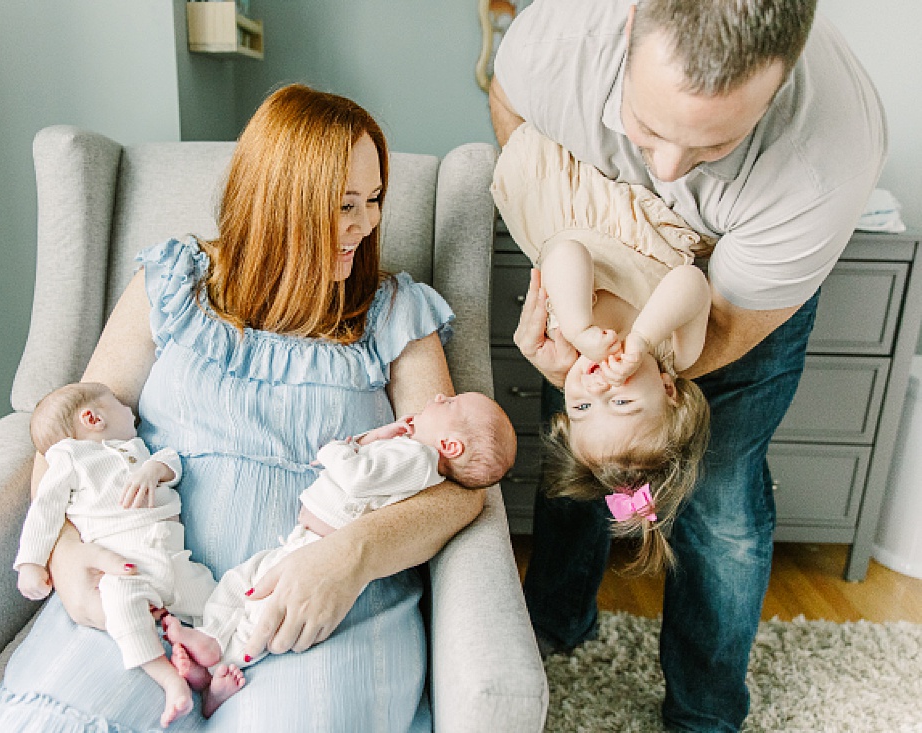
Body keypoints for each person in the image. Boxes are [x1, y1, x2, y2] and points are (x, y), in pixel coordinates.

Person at [0, 83, 484, 732]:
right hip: (147, 577)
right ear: (282, 204)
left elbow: (459, 488)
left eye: (374, 200)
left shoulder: (396, 313)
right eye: (344, 205)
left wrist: (350, 557)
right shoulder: (171, 282)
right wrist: (64, 549)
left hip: (313, 600)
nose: (365, 226)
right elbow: (68, 437)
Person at [489, 0, 886, 730]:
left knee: (721, 500)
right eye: (647, 129)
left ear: (778, 89)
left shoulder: (826, 159)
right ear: (628, 30)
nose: (667, 170)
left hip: (720, 300)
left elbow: (720, 315)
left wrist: (636, 370)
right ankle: (555, 617)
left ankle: (704, 709)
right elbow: (513, 115)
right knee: (588, 468)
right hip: (608, 281)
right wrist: (556, 233)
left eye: (711, 147)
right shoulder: (565, 35)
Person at [492, 126, 712, 575]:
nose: (597, 387)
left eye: (582, 406)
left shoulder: (571, 340)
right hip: (634, 211)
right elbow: (692, 284)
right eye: (622, 401)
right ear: (669, 391)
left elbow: (567, 251)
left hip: (564, 195)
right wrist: (644, 339)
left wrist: (579, 324)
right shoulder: (678, 355)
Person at [194, 391, 516, 692]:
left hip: (316, 548)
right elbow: (373, 467)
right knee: (243, 581)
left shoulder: (417, 458)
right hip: (305, 539)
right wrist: (374, 437)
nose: (439, 396)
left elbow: (358, 477)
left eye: (450, 404)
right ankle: (209, 636)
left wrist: (333, 449)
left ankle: (220, 668)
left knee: (265, 609)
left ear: (450, 446)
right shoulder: (411, 452)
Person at [13, 382, 237, 727]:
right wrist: (30, 563)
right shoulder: (71, 457)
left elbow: (170, 463)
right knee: (119, 603)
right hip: (128, 568)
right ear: (92, 417)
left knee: (221, 603)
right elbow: (45, 509)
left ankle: (211, 677)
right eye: (119, 405)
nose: (130, 411)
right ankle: (168, 678)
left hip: (176, 561)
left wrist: (151, 471)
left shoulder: (135, 449)